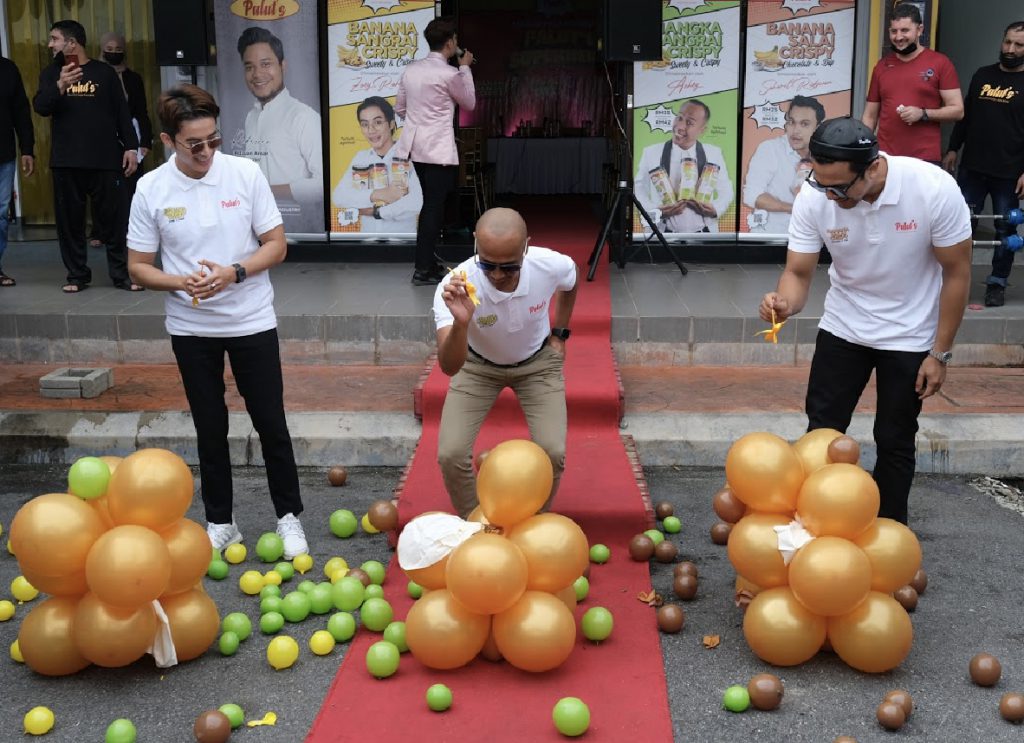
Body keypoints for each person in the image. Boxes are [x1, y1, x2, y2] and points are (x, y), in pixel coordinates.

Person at [759, 117, 972, 525]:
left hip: (910, 335)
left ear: (873, 168)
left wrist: (940, 352)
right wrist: (783, 303)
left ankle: (889, 535)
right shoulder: (815, 195)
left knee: (894, 439)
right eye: (822, 184)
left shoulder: (932, 188)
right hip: (844, 325)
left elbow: (957, 273)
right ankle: (815, 525)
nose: (831, 196)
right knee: (823, 434)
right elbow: (799, 273)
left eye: (841, 188)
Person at [126, 84, 307, 557]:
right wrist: (181, 282)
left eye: (214, 140)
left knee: (271, 422)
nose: (207, 152)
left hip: (251, 320)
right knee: (210, 426)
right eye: (195, 144)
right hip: (191, 328)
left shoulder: (245, 174)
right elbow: (138, 265)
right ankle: (221, 521)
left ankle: (289, 517)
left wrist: (235, 273)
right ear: (168, 141)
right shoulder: (151, 188)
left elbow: (277, 244)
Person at [434, 207, 578, 517]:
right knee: (450, 453)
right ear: (475, 243)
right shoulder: (456, 286)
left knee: (553, 452)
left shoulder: (550, 264)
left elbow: (571, 281)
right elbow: (449, 367)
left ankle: (532, 523)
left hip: (537, 364)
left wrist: (560, 334)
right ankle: (476, 523)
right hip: (476, 366)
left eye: (509, 267)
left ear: (526, 246)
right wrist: (461, 323)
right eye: (488, 265)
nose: (498, 275)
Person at [32, 19, 140, 293]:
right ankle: (77, 275)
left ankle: (122, 275)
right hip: (66, 161)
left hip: (105, 160)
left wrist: (131, 146)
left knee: (115, 222)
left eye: (54, 39)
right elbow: (41, 107)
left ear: (71, 43)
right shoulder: (50, 73)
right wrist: (60, 86)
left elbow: (122, 113)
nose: (50, 44)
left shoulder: (104, 73)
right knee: (70, 224)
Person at [943, 20, 1024, 308]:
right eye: (1007, 42)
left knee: (1005, 232)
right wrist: (953, 148)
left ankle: (997, 283)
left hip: (1009, 172)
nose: (1011, 49)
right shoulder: (982, 75)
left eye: (1018, 45)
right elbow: (965, 116)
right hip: (972, 168)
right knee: (960, 226)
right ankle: (955, 281)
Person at [395, 16, 475, 285]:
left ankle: (428, 262)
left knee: (432, 203)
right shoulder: (450, 74)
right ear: (450, 43)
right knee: (433, 206)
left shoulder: (411, 70)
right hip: (438, 147)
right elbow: (470, 103)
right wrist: (465, 69)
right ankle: (422, 268)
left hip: (416, 147)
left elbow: (400, 109)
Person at [236, 27, 323, 221]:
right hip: (256, 225)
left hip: (298, 228)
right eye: (249, 67)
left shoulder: (304, 117)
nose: (257, 74)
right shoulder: (251, 117)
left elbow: (323, 185)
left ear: (282, 66)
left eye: (266, 64)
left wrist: (267, 191)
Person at [862, 3, 963, 163]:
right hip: (886, 158)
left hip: (924, 158)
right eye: (894, 31)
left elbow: (958, 110)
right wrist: (864, 150)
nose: (898, 37)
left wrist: (923, 114)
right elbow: (869, 116)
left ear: (920, 30)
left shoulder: (940, 63)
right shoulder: (882, 66)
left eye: (905, 30)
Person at [89, 31, 153, 251]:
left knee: (132, 185)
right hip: (102, 136)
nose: (113, 54)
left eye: (118, 51)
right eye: (109, 50)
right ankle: (99, 230)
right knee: (102, 186)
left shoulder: (133, 78)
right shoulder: (94, 75)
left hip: (131, 135)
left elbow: (142, 111)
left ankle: (131, 229)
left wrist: (145, 140)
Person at [634, 100, 734, 233]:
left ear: (702, 130)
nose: (680, 126)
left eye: (689, 122)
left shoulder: (714, 153)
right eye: (679, 118)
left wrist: (715, 209)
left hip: (704, 233)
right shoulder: (651, 152)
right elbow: (638, 188)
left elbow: (726, 190)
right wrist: (655, 211)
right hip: (661, 233)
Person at [331, 96, 423, 234]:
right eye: (364, 124)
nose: (371, 130)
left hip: (402, 242)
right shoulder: (360, 158)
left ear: (391, 124)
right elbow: (339, 196)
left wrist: (377, 212)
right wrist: (379, 194)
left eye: (378, 122)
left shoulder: (409, 156)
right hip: (367, 241)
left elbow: (417, 202)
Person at [743, 95, 825, 234]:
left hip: (810, 236)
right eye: (791, 122)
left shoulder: (824, 155)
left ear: (817, 128)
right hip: (770, 237)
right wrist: (793, 208)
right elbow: (751, 195)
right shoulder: (770, 149)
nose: (795, 130)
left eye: (804, 124)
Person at [0, 53, 34, 288]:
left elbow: (21, 110)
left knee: (1, 213)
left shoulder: (7, 69)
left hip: (4, 153)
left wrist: (27, 148)